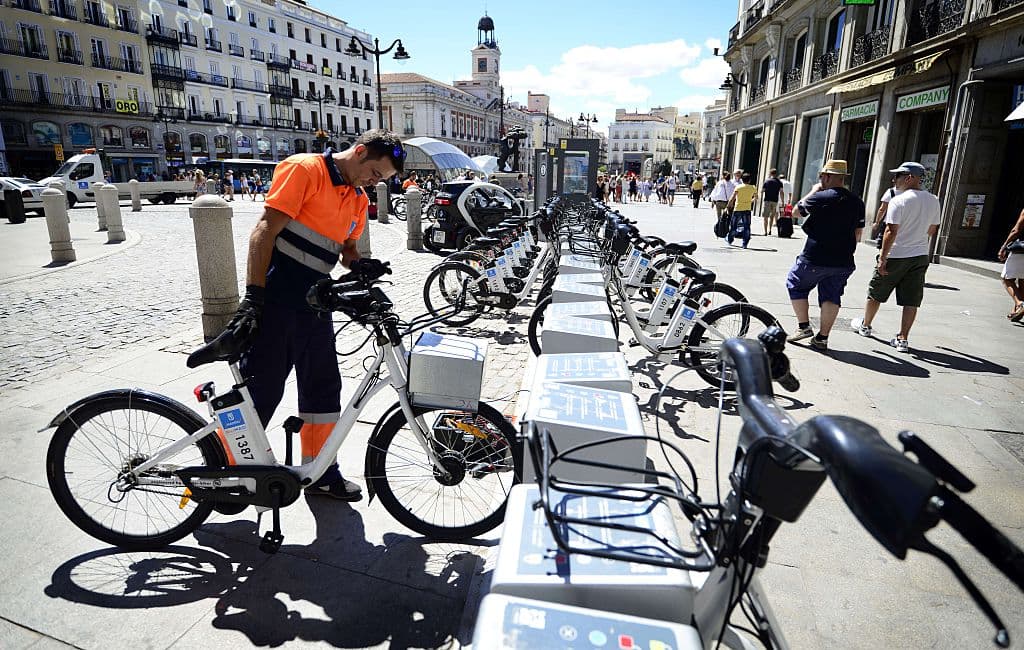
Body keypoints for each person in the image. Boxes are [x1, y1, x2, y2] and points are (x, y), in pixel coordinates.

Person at [217, 129, 405, 500]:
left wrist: (360, 265)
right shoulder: (306, 169)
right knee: (263, 389)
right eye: (375, 173)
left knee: (323, 388)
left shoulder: (355, 198)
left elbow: (346, 248)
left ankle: (320, 472)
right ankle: (226, 472)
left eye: (381, 180)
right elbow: (264, 232)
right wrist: (254, 298)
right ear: (361, 151)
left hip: (317, 302)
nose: (374, 181)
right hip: (277, 296)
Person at [850, 161, 941, 353]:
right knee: (911, 299)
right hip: (920, 255)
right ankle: (903, 338)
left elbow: (891, 231)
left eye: (898, 175)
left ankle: (865, 326)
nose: (894, 179)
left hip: (897, 254)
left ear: (910, 178)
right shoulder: (933, 200)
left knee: (876, 292)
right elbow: (932, 230)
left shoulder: (898, 200)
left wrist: (883, 258)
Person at [785, 160, 865, 351]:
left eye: (822, 176)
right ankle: (822, 338)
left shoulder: (821, 196)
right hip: (843, 260)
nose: (821, 179)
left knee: (795, 283)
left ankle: (804, 327)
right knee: (831, 296)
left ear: (828, 177)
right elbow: (858, 233)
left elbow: (796, 212)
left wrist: (814, 190)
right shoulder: (857, 202)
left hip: (815, 256)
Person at [998, 207, 1024, 322]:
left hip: (1021, 250)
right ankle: (1016, 311)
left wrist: (1004, 246)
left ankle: (1020, 304)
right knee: (1023, 281)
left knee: (1006, 278)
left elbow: (1016, 230)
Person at [726, 172, 756, 248]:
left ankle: (730, 240)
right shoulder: (753, 188)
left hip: (738, 208)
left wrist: (728, 206)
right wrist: (750, 201)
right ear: (749, 180)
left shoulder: (738, 187)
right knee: (747, 226)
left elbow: (733, 197)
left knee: (734, 226)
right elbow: (756, 198)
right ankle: (745, 243)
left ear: (742, 180)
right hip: (747, 209)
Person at [761, 169, 784, 236]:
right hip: (775, 201)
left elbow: (762, 190)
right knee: (772, 216)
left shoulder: (767, 181)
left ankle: (765, 232)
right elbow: (781, 192)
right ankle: (770, 230)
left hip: (767, 200)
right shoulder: (779, 182)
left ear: (770, 173)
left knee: (766, 216)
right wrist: (782, 201)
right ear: (776, 174)